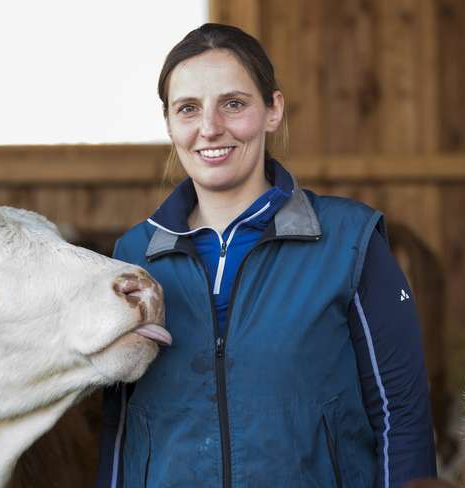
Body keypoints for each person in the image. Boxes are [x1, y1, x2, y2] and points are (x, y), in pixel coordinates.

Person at [97, 23, 437, 488]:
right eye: (188, 109)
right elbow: (120, 431)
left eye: (233, 104)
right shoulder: (134, 255)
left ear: (272, 110)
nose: (210, 128)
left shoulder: (348, 241)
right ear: (170, 124)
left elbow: (402, 413)